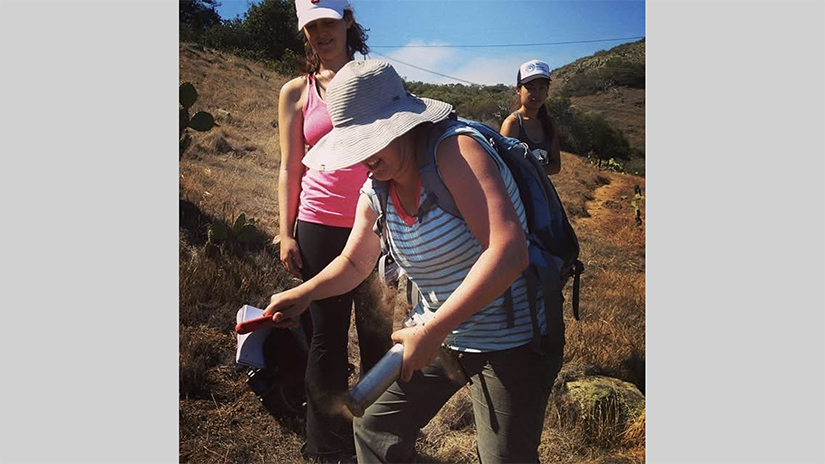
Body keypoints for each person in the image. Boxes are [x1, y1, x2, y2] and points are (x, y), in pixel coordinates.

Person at [264, 59, 564, 464]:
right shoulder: (377, 188)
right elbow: (354, 262)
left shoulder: (455, 153)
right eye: (355, 145)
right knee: (374, 428)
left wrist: (434, 330)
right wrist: (305, 293)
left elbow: (508, 251)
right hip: (440, 332)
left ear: (401, 124)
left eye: (370, 139)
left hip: (511, 337)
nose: (363, 157)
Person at [277, 1, 392, 461]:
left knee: (378, 337)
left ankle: (376, 440)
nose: (321, 33)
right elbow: (289, 166)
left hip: (375, 222)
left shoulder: (374, 80)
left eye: (328, 22)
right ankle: (327, 448)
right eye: (311, 26)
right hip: (319, 225)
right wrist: (286, 231)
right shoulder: (296, 92)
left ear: (347, 21)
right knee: (326, 339)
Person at [500, 59, 562, 176]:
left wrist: (534, 172)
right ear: (518, 90)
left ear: (547, 92)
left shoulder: (549, 123)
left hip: (540, 187)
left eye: (542, 88)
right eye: (530, 87)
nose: (536, 93)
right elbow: (504, 167)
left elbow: (556, 165)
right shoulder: (512, 124)